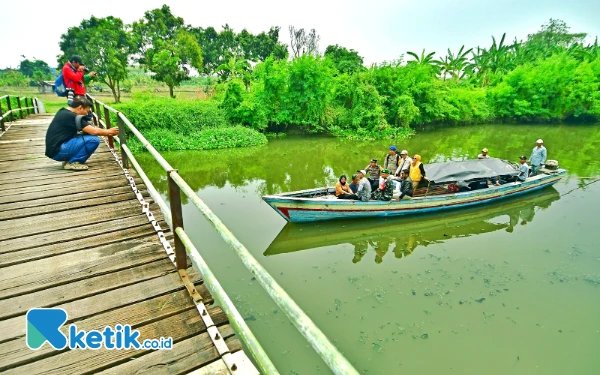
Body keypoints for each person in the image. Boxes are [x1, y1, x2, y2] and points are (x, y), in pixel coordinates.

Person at [45, 96, 119, 171]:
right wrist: (109, 132)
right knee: (93, 140)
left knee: (86, 136)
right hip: (58, 151)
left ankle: (69, 160)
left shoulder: (63, 111)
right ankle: (73, 162)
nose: (87, 114)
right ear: (80, 108)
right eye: (87, 111)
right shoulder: (72, 117)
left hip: (55, 149)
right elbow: (93, 131)